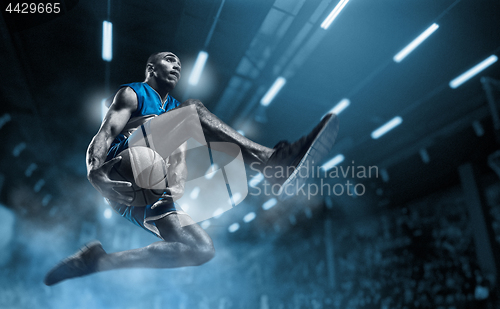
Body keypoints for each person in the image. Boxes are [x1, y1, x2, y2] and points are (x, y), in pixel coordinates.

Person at [44, 51, 338, 286]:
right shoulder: (133, 94)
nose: (176, 66)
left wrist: (178, 182)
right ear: (151, 67)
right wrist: (94, 171)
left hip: (145, 191)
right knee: (194, 109)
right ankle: (273, 163)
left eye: (179, 64)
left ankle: (97, 261)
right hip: (124, 165)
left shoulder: (173, 110)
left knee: (200, 249)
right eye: (169, 59)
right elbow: (105, 133)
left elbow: (180, 157)